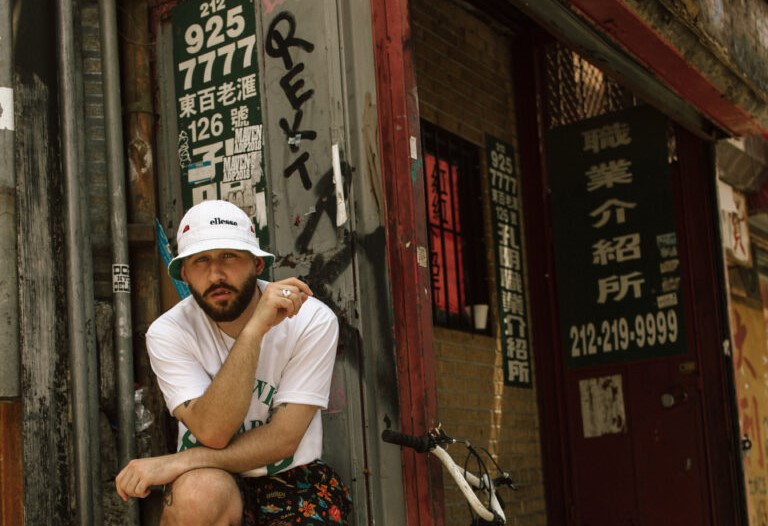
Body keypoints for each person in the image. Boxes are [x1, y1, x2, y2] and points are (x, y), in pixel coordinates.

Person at [115, 199, 352, 525]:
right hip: (207, 476)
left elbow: (283, 439)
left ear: (256, 264)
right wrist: (253, 333)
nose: (215, 274)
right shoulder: (169, 332)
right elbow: (213, 431)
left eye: (229, 256)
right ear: (184, 273)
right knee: (198, 496)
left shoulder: (310, 319)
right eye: (200, 261)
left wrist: (177, 462)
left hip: (290, 473)